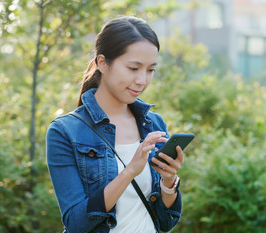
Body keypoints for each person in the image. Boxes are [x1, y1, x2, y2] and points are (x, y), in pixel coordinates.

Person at [46, 16, 184, 233]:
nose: (142, 80)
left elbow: (166, 222)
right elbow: (75, 223)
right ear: (102, 63)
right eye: (133, 68)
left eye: (150, 70)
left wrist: (169, 182)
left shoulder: (153, 124)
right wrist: (130, 171)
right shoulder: (65, 131)